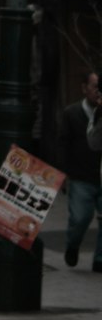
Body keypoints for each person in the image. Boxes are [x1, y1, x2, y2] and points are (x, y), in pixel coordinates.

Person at [60, 68, 102, 269]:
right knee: (80, 218)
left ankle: (100, 259)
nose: (98, 92)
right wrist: (63, 173)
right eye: (95, 87)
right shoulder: (72, 113)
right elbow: (64, 144)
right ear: (84, 88)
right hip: (81, 177)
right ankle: (73, 245)